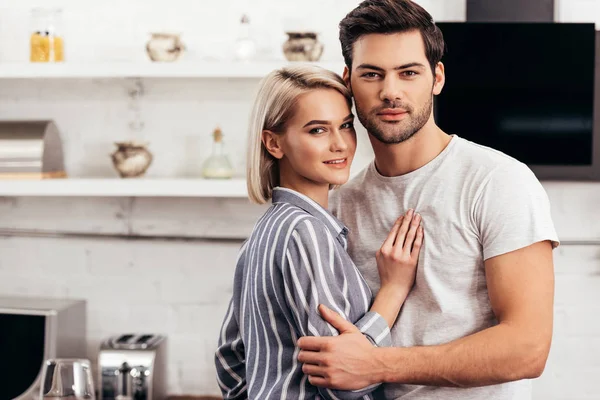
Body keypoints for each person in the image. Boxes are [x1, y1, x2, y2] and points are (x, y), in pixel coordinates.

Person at [296, 1, 560, 399]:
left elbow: (527, 349)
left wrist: (378, 364)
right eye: (372, 74)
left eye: (408, 73)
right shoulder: (339, 203)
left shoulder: (497, 182)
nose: (390, 92)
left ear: (436, 78)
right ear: (348, 81)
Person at [214, 65, 424, 399]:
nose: (340, 144)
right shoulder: (305, 233)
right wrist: (394, 290)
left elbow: (229, 361)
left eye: (345, 125)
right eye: (317, 131)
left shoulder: (263, 232)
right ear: (273, 143)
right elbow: (342, 379)